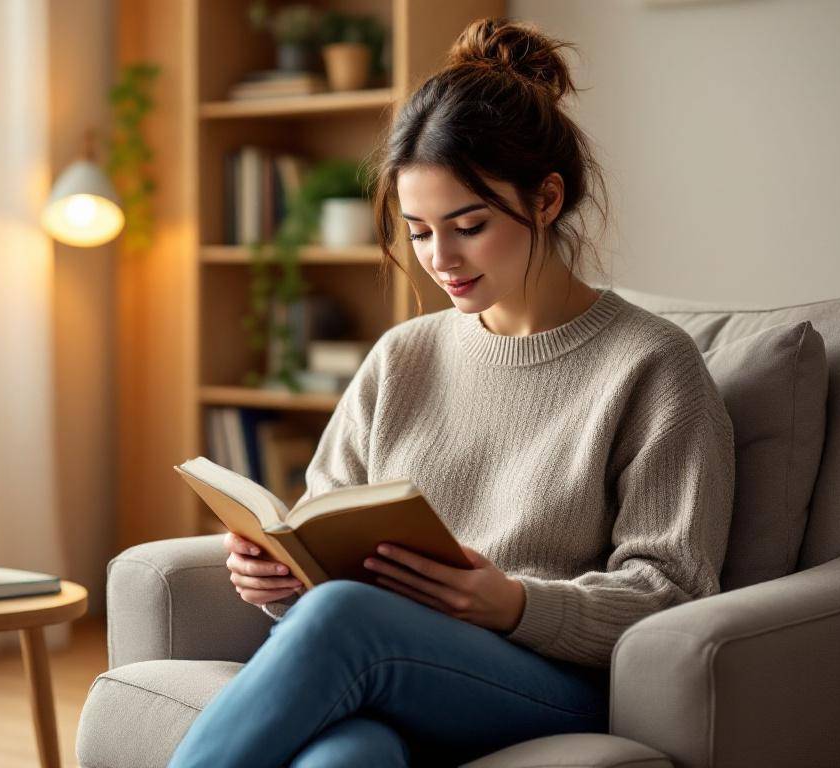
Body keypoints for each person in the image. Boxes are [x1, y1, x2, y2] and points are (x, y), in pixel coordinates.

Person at [167, 17, 735, 768]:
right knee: (346, 759)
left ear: (546, 200)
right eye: (420, 231)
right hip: (386, 664)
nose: (441, 259)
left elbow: (673, 592)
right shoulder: (404, 356)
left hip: (546, 678)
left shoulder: (652, 366)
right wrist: (277, 577)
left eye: (468, 225)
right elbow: (320, 544)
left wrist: (517, 604)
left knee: (344, 620)